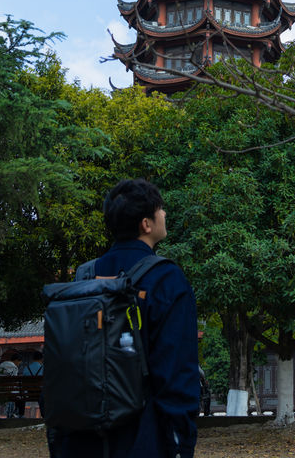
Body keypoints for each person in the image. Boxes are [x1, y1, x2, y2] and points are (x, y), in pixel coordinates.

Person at [59, 178, 199, 458]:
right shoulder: (166, 279)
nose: (165, 214)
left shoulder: (84, 277)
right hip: (144, 437)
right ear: (146, 224)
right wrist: (181, 442)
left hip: (78, 438)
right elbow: (177, 373)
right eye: (160, 209)